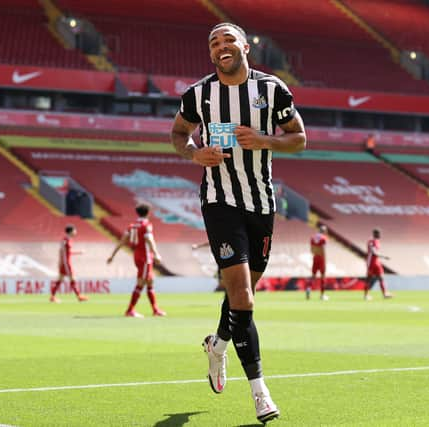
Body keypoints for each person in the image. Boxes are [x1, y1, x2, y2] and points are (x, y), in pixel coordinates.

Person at [170, 22, 306, 423]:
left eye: (228, 39)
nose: (221, 46)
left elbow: (299, 137)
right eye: (214, 42)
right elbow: (179, 134)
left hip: (261, 203)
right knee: (243, 296)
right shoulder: (198, 94)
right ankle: (260, 391)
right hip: (218, 200)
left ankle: (218, 343)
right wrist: (194, 154)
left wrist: (265, 141)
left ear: (245, 46)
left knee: (242, 296)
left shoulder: (272, 90)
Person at [107, 203, 166, 318]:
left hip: (137, 255)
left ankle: (155, 309)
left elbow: (122, 241)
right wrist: (156, 254)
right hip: (145, 257)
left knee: (150, 282)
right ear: (148, 213)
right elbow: (149, 239)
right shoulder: (146, 225)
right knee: (141, 283)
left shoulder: (132, 226)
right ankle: (130, 310)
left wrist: (112, 255)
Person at [50, 224, 88, 303]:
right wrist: (60, 262)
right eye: (75, 230)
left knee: (60, 280)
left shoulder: (68, 240)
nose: (76, 232)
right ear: (71, 231)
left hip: (65, 262)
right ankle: (79, 296)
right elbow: (61, 251)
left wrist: (79, 252)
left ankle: (52, 297)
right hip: (66, 263)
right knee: (72, 279)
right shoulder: (65, 240)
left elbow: (68, 252)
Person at [364, 228, 392, 301]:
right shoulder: (371, 241)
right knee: (369, 279)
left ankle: (385, 294)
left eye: (380, 234)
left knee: (381, 277)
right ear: (375, 234)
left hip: (377, 262)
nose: (380, 235)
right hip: (371, 263)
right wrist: (384, 256)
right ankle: (366, 295)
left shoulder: (377, 241)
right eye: (378, 234)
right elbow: (374, 252)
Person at [308, 224, 328, 301]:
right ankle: (322, 295)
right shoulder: (323, 238)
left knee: (313, 276)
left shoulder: (313, 237)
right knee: (323, 276)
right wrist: (324, 260)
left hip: (315, 257)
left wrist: (315, 254)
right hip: (321, 258)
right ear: (324, 231)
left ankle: (309, 289)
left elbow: (311, 249)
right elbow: (323, 250)